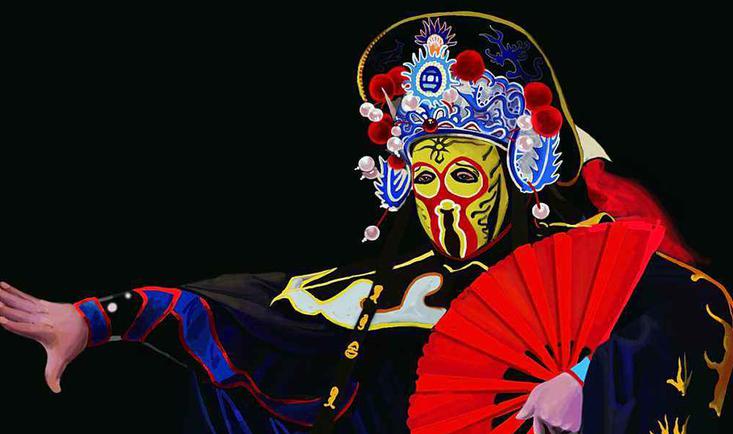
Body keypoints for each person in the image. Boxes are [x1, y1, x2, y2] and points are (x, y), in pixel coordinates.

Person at [1, 12, 730, 434]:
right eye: (426, 178)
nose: (442, 201)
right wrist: (95, 319)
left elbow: (697, 315)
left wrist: (586, 378)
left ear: (516, 169)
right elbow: (251, 308)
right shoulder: (389, 286)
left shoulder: (595, 260)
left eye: (464, 175)